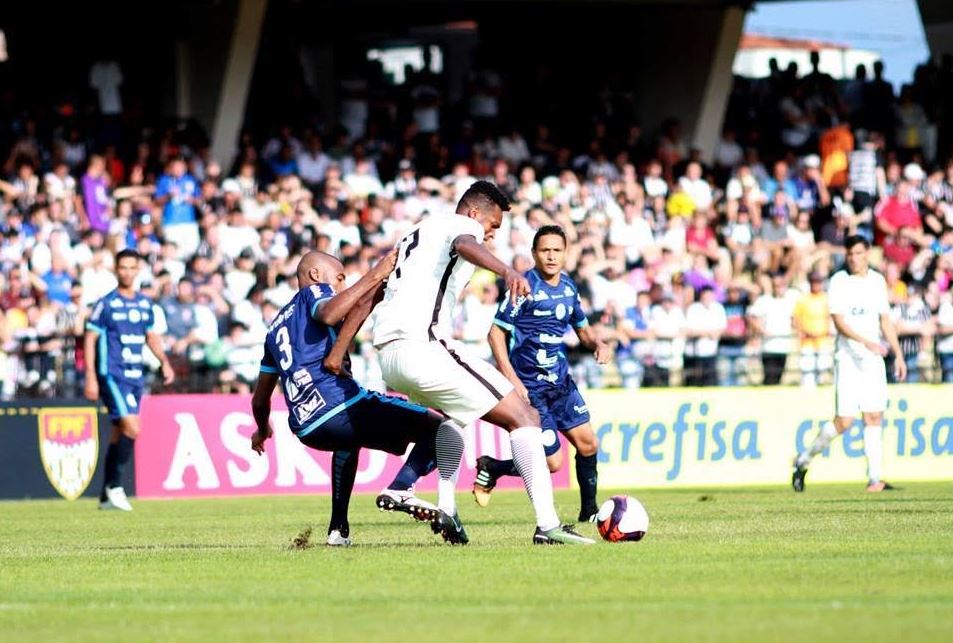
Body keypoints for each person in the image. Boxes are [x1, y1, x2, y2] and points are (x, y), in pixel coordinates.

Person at [364, 180, 594, 545]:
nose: (490, 234)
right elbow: (466, 243)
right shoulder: (461, 226)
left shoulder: (416, 233)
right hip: (422, 345)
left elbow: (375, 289)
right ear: (474, 213)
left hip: (388, 356)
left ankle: (443, 506)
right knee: (525, 416)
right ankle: (548, 525)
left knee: (453, 418)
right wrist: (506, 270)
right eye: (492, 225)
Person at [248, 250, 464, 546]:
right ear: (315, 275)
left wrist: (262, 429)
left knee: (347, 442)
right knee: (442, 428)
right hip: (339, 402)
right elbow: (329, 311)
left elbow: (260, 400)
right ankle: (402, 486)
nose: (339, 286)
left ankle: (338, 530)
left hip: (308, 427)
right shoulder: (315, 292)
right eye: (339, 279)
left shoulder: (274, 330)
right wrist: (374, 275)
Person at [453, 225, 611, 523]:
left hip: (561, 383)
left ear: (566, 253)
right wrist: (512, 380)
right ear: (534, 254)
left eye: (557, 250)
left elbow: (583, 330)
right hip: (531, 390)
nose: (551, 256)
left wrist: (598, 344)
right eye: (545, 250)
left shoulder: (568, 287)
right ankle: (495, 467)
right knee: (553, 462)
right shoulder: (524, 286)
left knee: (589, 443)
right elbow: (495, 334)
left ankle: (589, 511)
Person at [792, 236, 906, 493]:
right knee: (844, 422)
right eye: (850, 254)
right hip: (848, 358)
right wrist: (867, 342)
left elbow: (885, 320)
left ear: (867, 254)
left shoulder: (877, 281)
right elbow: (839, 323)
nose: (854, 258)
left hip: (873, 358)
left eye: (858, 253)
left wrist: (897, 353)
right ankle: (803, 460)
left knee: (875, 415)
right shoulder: (839, 281)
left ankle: (875, 479)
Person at [84, 249, 175, 511]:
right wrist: (91, 376)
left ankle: (104, 495)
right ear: (116, 269)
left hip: (135, 376)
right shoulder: (106, 303)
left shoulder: (145, 304)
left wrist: (164, 361)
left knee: (119, 432)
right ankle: (115, 486)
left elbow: (151, 336)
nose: (126, 272)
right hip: (112, 374)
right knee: (133, 428)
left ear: (138, 270)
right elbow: (90, 339)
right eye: (122, 267)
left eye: (131, 267)